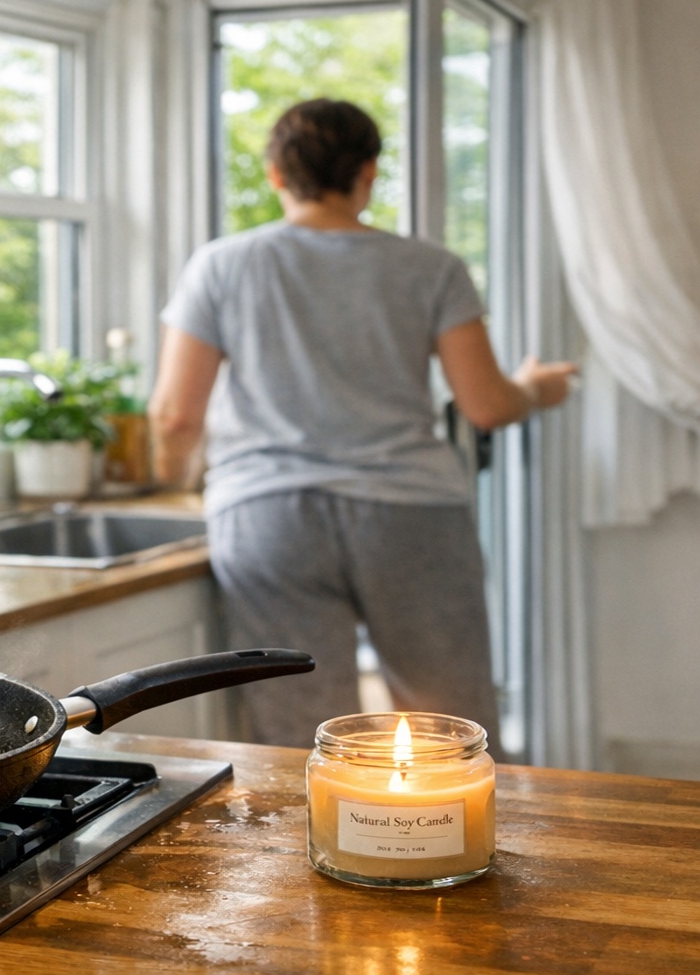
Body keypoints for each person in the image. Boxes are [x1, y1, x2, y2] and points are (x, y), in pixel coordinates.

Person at [148, 98, 576, 749]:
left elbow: (177, 416)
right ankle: (449, 848)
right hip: (412, 515)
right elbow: (487, 404)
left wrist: (167, 482)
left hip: (270, 517)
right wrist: (537, 390)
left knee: (299, 728)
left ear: (275, 175)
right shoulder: (431, 268)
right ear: (369, 172)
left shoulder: (222, 263)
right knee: (447, 725)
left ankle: (316, 849)